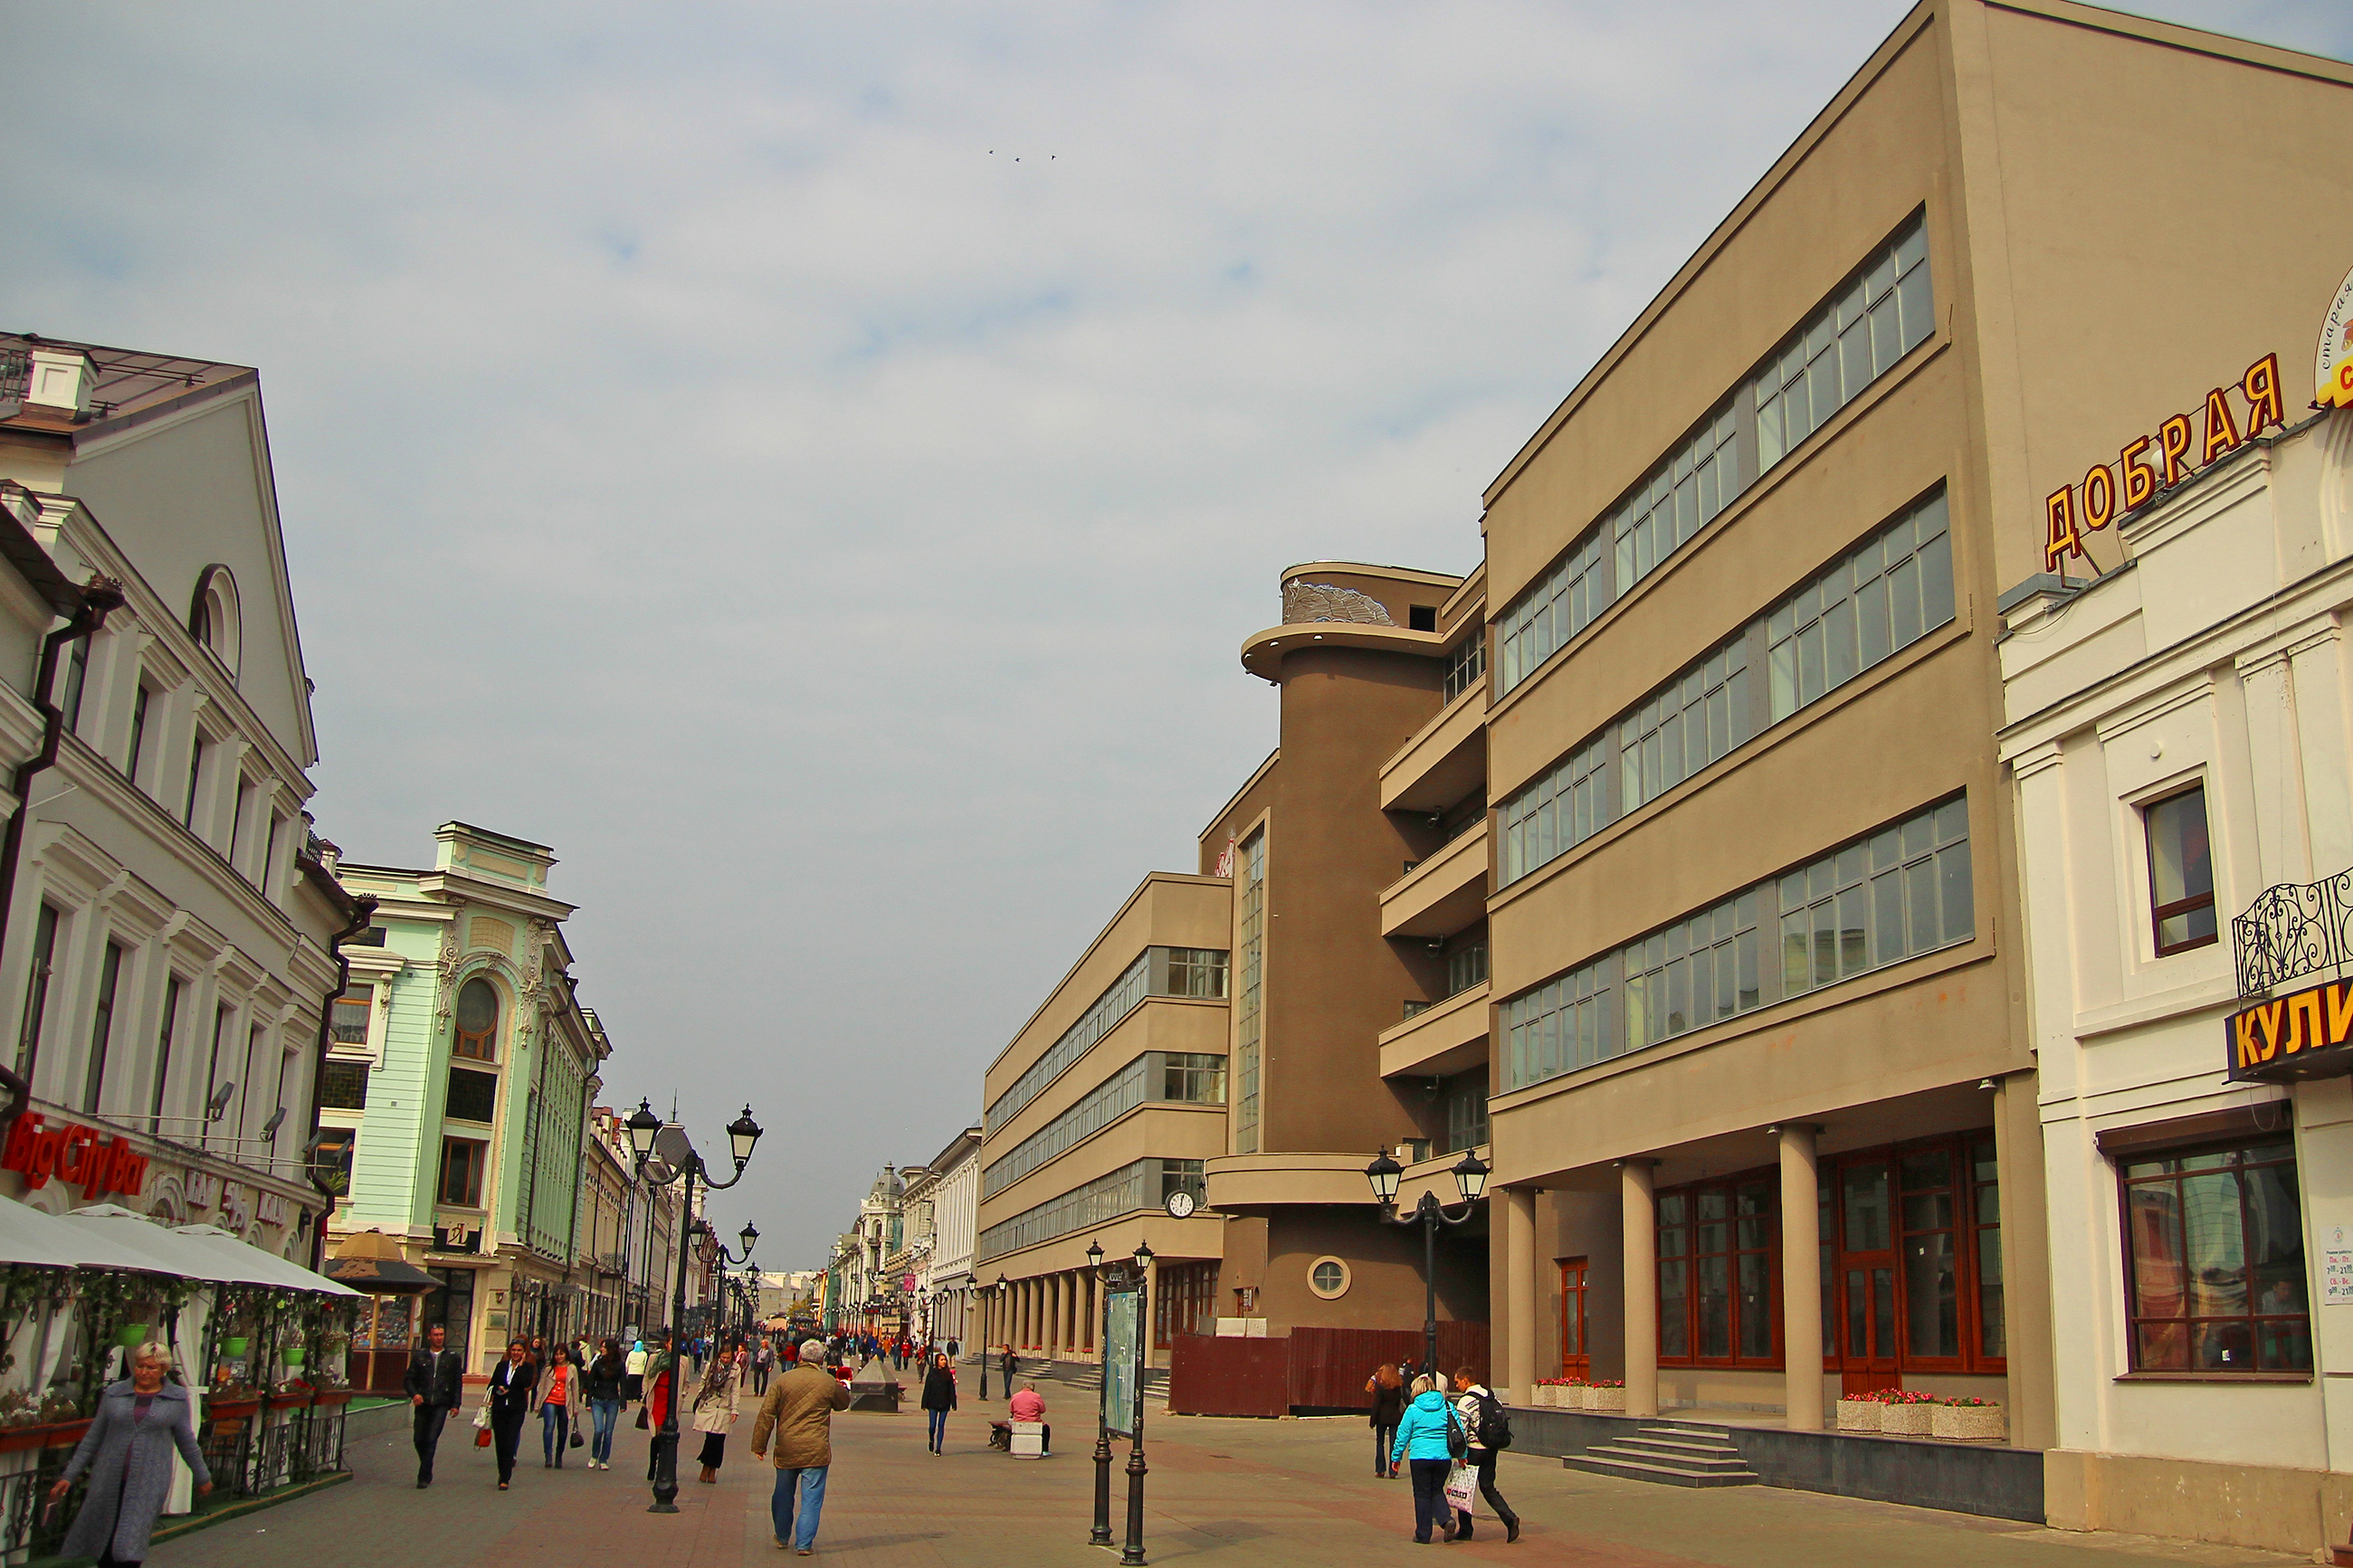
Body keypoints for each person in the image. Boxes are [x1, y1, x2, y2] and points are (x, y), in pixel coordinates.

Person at [51, 1343, 210, 1568]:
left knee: (129, 1543)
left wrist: (202, 1476)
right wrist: (69, 1475)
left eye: (151, 1368)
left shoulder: (175, 1398)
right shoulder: (115, 1393)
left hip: (149, 1482)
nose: (144, 1372)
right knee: (104, 1541)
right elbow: (93, 1438)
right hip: (108, 1479)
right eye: (140, 1366)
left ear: (163, 1369)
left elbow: (187, 1442)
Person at [750, 1337, 852, 1557]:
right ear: (821, 1360)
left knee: (783, 1494)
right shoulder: (827, 1382)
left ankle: (782, 1535)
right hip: (815, 1448)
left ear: (799, 1357)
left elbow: (767, 1413)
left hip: (787, 1447)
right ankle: (804, 1543)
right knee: (812, 1498)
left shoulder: (784, 1380)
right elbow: (843, 1403)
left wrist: (759, 1444)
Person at [1452, 1365, 1520, 1543]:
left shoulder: (1465, 1401)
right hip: (1491, 1449)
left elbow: (1461, 1429)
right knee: (1488, 1487)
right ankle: (1510, 1518)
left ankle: (1466, 1530)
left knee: (1464, 1489)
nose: (1456, 1385)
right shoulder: (1491, 1396)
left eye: (1458, 1382)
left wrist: (1459, 1453)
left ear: (1466, 1380)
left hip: (1473, 1450)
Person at [1390, 1373, 1461, 1544]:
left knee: (1422, 1494)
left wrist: (1396, 1457)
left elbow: (1402, 1435)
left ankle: (1423, 1533)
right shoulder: (1448, 1407)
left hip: (1420, 1457)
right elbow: (1459, 1432)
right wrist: (1462, 1455)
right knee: (1436, 1490)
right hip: (1443, 1457)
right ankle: (1446, 1519)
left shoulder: (1413, 1409)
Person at [405, 1323, 464, 1487]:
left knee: (431, 1439)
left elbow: (457, 1382)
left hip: (441, 1403)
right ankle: (427, 1466)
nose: (439, 1338)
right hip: (423, 1403)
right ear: (429, 1336)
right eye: (436, 1335)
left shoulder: (452, 1357)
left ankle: (423, 1476)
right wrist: (414, 1394)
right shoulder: (420, 1357)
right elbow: (409, 1379)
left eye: (441, 1334)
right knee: (419, 1439)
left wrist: (456, 1404)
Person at [487, 1338, 537, 1489]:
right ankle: (501, 1471)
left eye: (519, 1350)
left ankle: (505, 1478)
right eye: (514, 1350)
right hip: (500, 1408)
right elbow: (491, 1384)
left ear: (524, 1352)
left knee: (510, 1441)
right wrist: (499, 1388)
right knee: (500, 1443)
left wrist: (520, 1366)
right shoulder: (501, 1366)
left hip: (516, 1409)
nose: (516, 1353)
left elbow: (526, 1383)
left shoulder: (527, 1367)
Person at [691, 1346, 740, 1483]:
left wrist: (734, 1410)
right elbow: (703, 1381)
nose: (725, 1360)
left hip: (724, 1406)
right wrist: (701, 1396)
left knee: (720, 1440)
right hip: (710, 1403)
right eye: (723, 1357)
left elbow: (735, 1391)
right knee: (710, 1438)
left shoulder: (735, 1369)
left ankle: (713, 1469)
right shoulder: (711, 1366)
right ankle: (706, 1466)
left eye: (728, 1358)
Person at [584, 1338, 626, 1469]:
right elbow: (591, 1383)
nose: (601, 1349)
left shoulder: (619, 1365)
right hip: (598, 1399)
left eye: (604, 1347)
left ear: (610, 1349)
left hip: (613, 1400)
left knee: (608, 1432)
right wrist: (588, 1402)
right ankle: (594, 1455)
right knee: (599, 1430)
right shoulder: (598, 1363)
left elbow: (623, 1384)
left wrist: (623, 1403)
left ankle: (603, 1459)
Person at [1366, 1364, 1405, 1479]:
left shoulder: (1381, 1387)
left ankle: (1380, 1469)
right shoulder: (1399, 1387)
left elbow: (1376, 1404)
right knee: (1394, 1444)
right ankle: (1393, 1470)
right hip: (1395, 1417)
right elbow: (1404, 1400)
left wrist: (1372, 1420)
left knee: (1380, 1443)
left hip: (1381, 1418)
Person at [538, 1341, 573, 1469]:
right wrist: (537, 1404)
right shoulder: (549, 1369)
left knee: (563, 1430)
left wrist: (575, 1407)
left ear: (566, 1355)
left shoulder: (571, 1369)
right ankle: (548, 1455)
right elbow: (542, 1386)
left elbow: (574, 1389)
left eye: (561, 1354)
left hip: (564, 1401)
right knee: (549, 1426)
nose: (559, 1357)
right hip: (550, 1400)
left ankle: (559, 1455)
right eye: (557, 1354)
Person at [919, 1352, 957, 1455]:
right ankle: (931, 1439)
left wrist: (954, 1403)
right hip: (933, 1403)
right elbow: (927, 1389)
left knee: (941, 1425)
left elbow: (951, 1390)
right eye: (941, 1360)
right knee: (932, 1426)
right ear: (937, 1361)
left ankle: (938, 1448)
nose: (944, 1362)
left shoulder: (948, 1374)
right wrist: (924, 1403)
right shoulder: (932, 1373)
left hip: (945, 1403)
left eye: (945, 1360)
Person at [1007, 1382, 1049, 1455]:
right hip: (1034, 1421)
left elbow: (1011, 1410)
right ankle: (1045, 1450)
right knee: (1046, 1429)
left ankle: (1013, 1446)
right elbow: (1042, 1410)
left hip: (1018, 1421)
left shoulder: (1015, 1396)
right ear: (1033, 1388)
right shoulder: (1037, 1396)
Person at [624, 1338, 648, 1405]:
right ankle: (637, 1397)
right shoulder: (644, 1354)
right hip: (640, 1372)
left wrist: (627, 1370)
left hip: (631, 1372)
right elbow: (645, 1363)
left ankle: (631, 1397)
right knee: (638, 1386)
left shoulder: (631, 1353)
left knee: (631, 1386)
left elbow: (627, 1363)